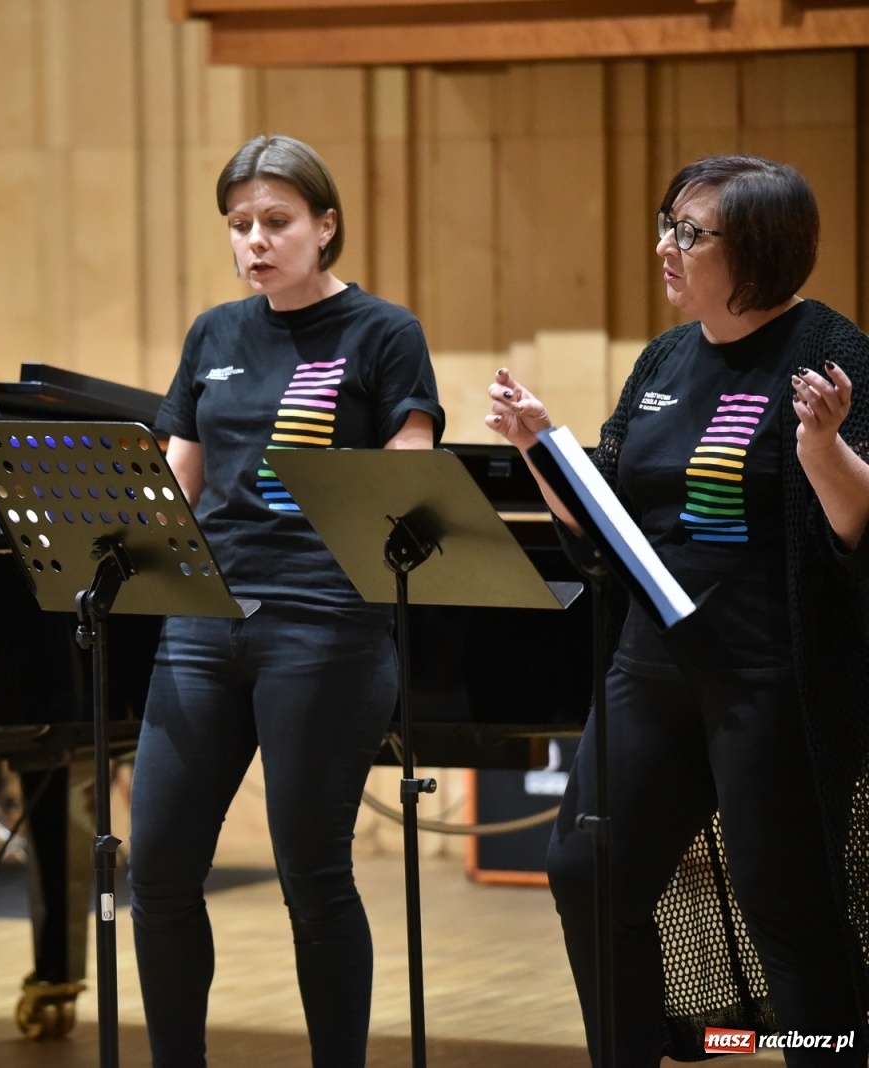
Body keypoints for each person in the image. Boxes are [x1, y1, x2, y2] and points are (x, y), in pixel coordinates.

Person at [486, 155, 869, 1066]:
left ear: (763, 248)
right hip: (650, 672)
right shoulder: (663, 358)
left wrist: (821, 444)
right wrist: (543, 448)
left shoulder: (837, 353)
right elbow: (606, 523)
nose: (665, 246)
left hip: (774, 679)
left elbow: (855, 528)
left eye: (690, 232)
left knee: (789, 909)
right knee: (586, 874)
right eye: (667, 223)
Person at [126, 134, 444, 1067]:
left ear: (325, 225)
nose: (255, 241)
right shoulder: (214, 334)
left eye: (276, 222)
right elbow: (179, 479)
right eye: (239, 225)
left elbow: (410, 472)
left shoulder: (383, 333)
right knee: (159, 873)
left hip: (325, 626)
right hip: (203, 624)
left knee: (312, 875)